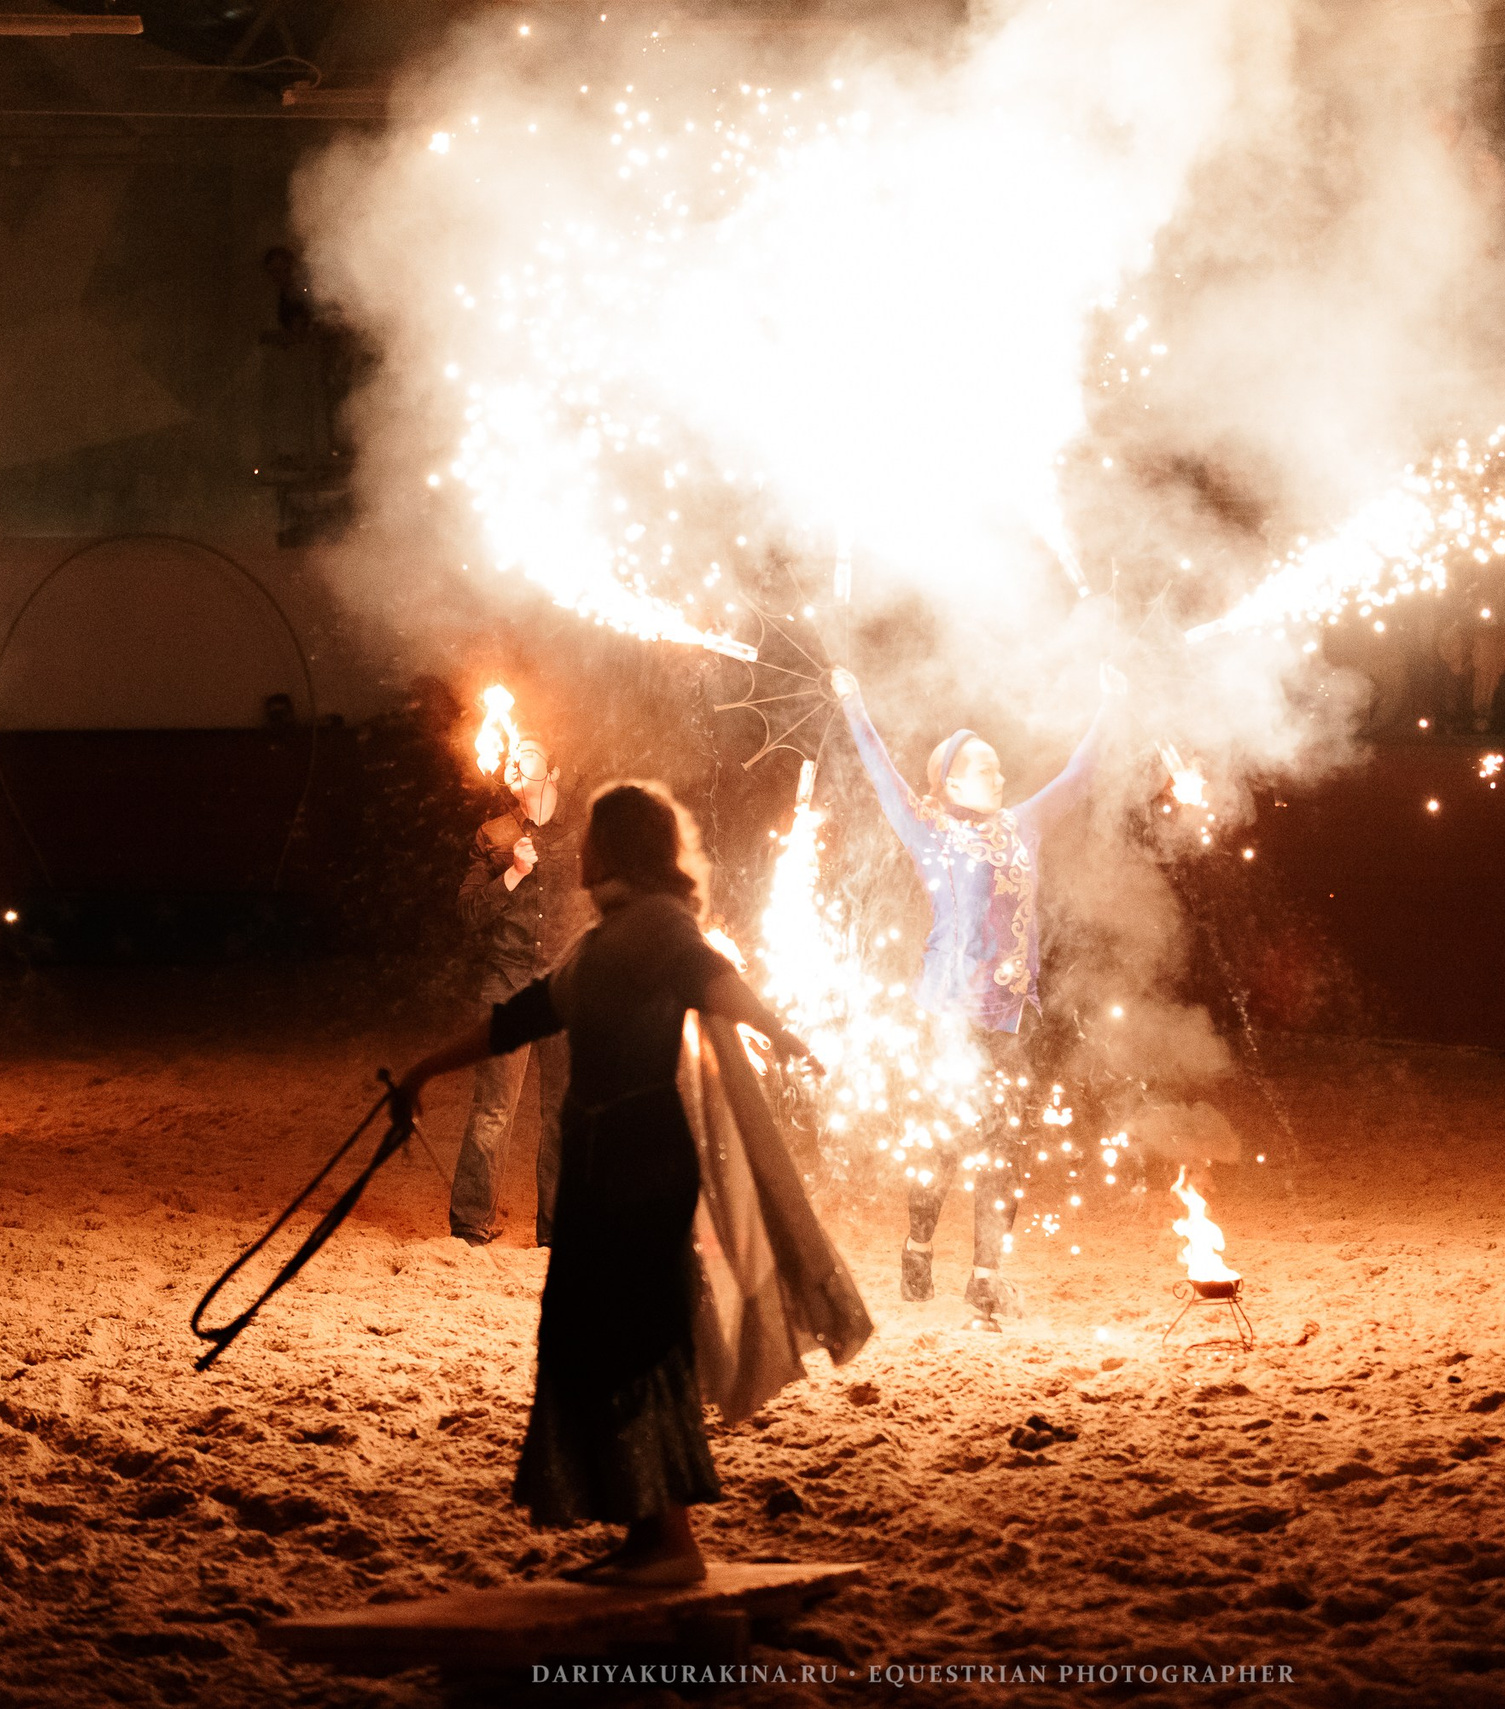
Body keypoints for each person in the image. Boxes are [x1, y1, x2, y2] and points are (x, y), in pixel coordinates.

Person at [391, 782, 827, 1587]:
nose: (578, 845)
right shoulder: (602, 942)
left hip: (643, 1167)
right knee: (590, 1337)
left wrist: (781, 1032)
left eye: (593, 834)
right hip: (601, 1169)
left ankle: (670, 1541)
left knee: (634, 1340)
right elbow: (514, 1019)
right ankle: (645, 1531)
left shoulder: (658, 927)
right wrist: (422, 1070)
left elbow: (709, 976)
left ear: (617, 848)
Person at [830, 661, 1124, 1329]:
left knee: (1006, 1139)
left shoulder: (1024, 823)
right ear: (953, 781)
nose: (998, 774)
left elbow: (1077, 776)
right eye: (983, 767)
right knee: (944, 1140)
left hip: (1012, 1014)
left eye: (998, 765)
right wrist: (853, 700)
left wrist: (1111, 701)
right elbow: (881, 770)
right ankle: (919, 1241)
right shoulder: (929, 830)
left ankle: (985, 1278)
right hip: (950, 1016)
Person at [452, 735, 592, 1246]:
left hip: (565, 987)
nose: (515, 757)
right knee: (494, 1109)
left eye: (528, 751)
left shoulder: (583, 832)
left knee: (561, 1110)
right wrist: (513, 871)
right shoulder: (494, 834)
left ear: (552, 772)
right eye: (512, 753)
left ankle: (555, 1234)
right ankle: (470, 1227)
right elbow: (468, 913)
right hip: (508, 983)